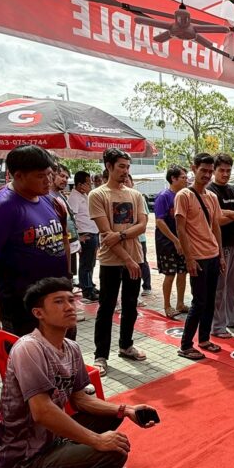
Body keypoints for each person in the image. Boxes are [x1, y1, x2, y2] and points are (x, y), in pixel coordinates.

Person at [0, 277, 158, 468]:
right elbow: (42, 411)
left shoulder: (71, 348)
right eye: (58, 302)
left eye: (71, 299)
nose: (69, 306)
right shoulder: (29, 349)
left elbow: (81, 399)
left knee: (111, 417)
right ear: (39, 313)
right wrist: (96, 441)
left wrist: (128, 410)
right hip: (19, 461)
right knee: (113, 453)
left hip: (47, 442)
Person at [0, 145, 71, 335]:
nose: (48, 181)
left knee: (62, 347)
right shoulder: (1, 208)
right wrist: (7, 288)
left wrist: (66, 278)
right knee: (29, 351)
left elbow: (63, 239)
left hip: (56, 297)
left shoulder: (48, 199)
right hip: (23, 306)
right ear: (18, 176)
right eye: (41, 176)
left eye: (50, 174)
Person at [89, 149, 147, 371]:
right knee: (107, 307)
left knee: (131, 305)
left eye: (127, 167)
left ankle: (126, 345)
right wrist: (127, 259)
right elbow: (106, 234)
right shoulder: (98, 195)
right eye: (121, 166)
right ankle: (100, 355)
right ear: (109, 166)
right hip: (111, 261)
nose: (125, 171)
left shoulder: (135, 195)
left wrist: (121, 235)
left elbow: (142, 225)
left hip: (135, 257)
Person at [175, 152, 224, 360]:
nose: (207, 175)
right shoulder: (184, 196)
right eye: (203, 170)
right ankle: (186, 345)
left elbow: (216, 226)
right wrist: (189, 258)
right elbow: (180, 228)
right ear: (193, 169)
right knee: (199, 301)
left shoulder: (212, 197)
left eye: (210, 171)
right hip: (197, 257)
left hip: (213, 255)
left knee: (210, 300)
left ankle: (204, 339)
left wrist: (221, 255)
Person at [208, 154, 234, 338]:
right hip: (218, 246)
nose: (225, 174)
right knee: (219, 287)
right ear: (214, 171)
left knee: (233, 285)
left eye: (228, 170)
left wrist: (228, 213)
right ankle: (217, 326)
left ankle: (233, 319)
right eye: (222, 170)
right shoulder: (209, 192)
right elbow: (216, 221)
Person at [154, 165, 189, 319]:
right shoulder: (164, 196)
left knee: (183, 272)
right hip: (166, 243)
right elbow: (159, 221)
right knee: (170, 274)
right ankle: (167, 306)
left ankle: (180, 303)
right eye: (183, 177)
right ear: (173, 179)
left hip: (182, 241)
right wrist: (175, 240)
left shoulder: (185, 196)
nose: (186, 180)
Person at [70, 170, 100, 303]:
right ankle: (87, 290)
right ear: (80, 184)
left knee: (91, 262)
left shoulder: (84, 195)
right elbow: (71, 218)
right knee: (86, 264)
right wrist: (78, 237)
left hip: (93, 232)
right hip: (85, 234)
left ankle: (90, 285)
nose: (90, 186)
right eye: (88, 183)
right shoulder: (74, 197)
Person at [123, 173, 154, 300]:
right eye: (123, 181)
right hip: (125, 239)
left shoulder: (138, 197)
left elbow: (144, 221)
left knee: (142, 262)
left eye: (127, 181)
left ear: (132, 183)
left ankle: (146, 286)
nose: (125, 183)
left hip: (139, 238)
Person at [52, 164, 81, 284]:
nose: (64, 179)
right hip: (56, 248)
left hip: (68, 245)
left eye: (66, 177)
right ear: (52, 175)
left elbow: (70, 220)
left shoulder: (61, 196)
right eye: (61, 176)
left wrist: (77, 239)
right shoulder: (46, 197)